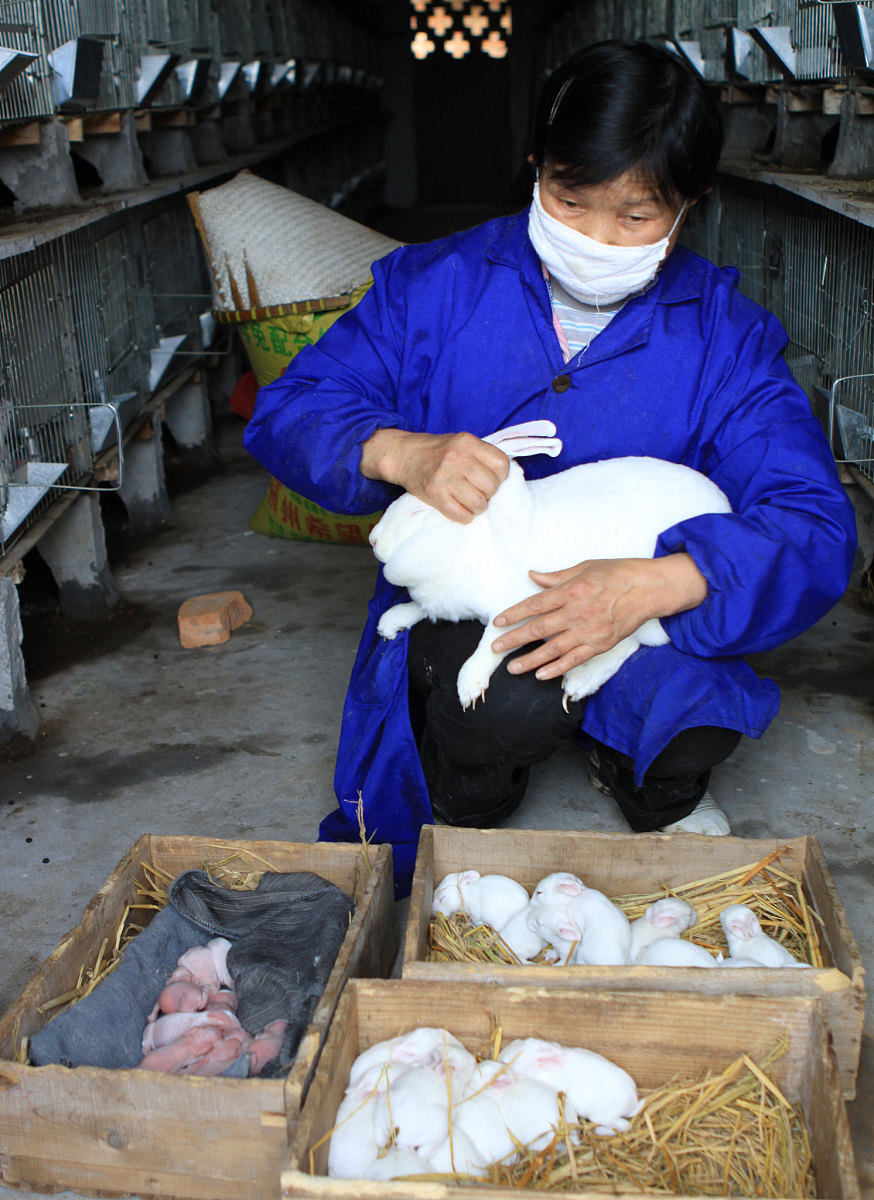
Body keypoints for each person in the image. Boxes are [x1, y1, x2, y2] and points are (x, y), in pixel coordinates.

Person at [244, 39, 857, 896]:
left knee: (697, 716)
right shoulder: (436, 287)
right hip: (488, 589)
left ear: (691, 206)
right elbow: (290, 411)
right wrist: (400, 451)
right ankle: (474, 786)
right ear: (536, 167)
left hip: (642, 598)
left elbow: (816, 527)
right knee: (505, 698)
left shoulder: (723, 336)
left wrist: (658, 582)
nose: (596, 238)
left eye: (636, 219)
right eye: (569, 200)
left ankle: (643, 769)